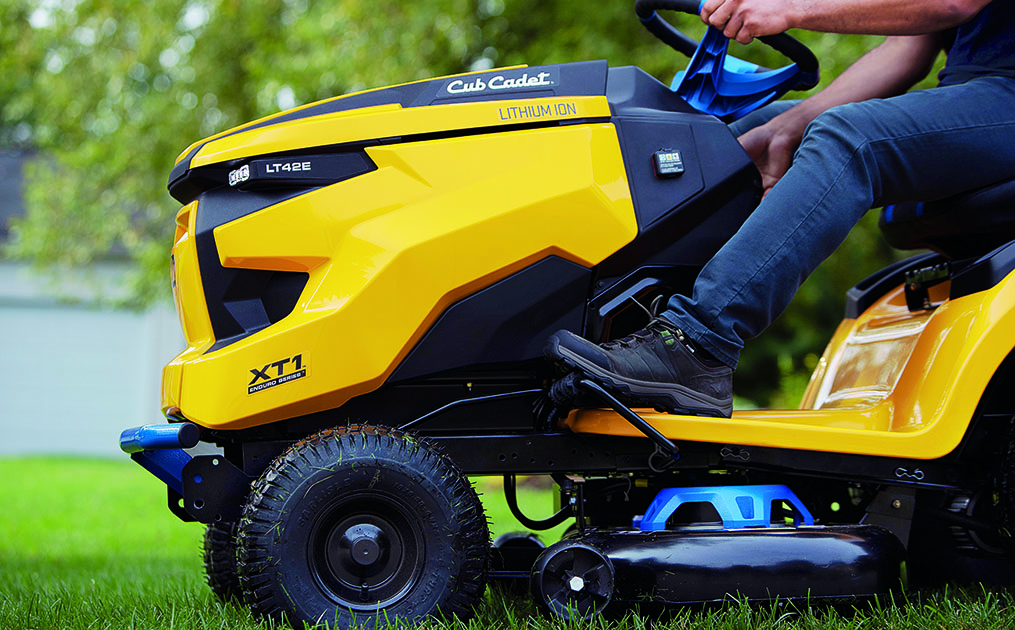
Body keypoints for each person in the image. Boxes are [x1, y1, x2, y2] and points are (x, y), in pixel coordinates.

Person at [545, 0, 1015, 418]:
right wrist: (790, 124)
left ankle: (697, 346)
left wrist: (791, 8)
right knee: (733, 140)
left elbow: (953, 3)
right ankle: (611, 332)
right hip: (978, 99)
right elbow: (906, 50)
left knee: (850, 140)